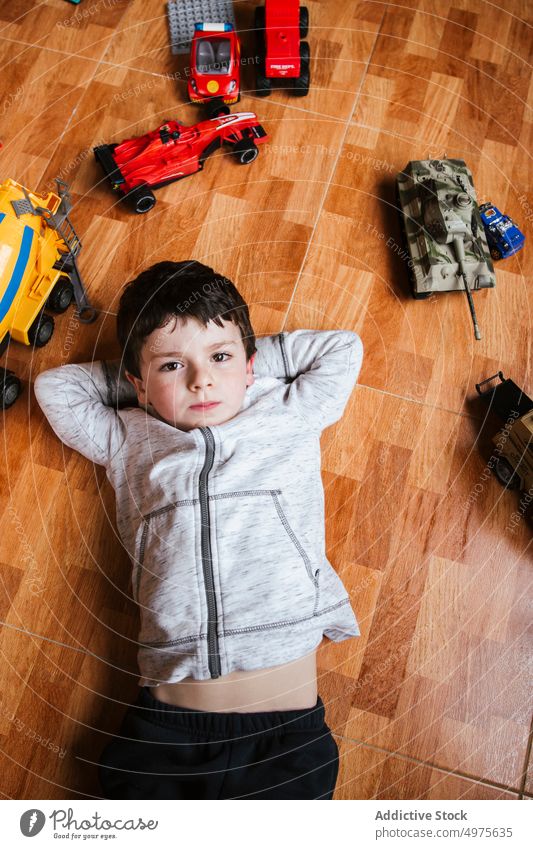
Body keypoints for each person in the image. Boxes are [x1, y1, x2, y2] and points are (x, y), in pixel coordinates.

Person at [34, 260, 364, 800]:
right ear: (138, 385)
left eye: (220, 357)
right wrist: (146, 382)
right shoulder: (127, 439)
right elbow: (56, 388)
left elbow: (342, 348)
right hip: (164, 735)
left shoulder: (288, 412)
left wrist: (247, 364)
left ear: (250, 365)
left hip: (284, 738)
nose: (201, 379)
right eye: (172, 367)